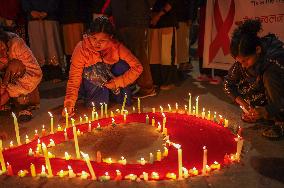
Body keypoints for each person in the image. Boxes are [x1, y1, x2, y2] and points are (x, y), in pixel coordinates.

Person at [63, 17, 143, 117]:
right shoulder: (81, 49)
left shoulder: (116, 47)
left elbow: (137, 67)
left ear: (111, 37)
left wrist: (117, 82)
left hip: (111, 77)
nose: (97, 43)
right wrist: (69, 103)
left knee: (122, 66)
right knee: (97, 106)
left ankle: (114, 94)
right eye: (94, 38)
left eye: (103, 40)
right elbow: (74, 78)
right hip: (92, 79)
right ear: (89, 34)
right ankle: (91, 95)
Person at [229, 19, 284, 139]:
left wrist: (266, 111)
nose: (243, 65)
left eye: (245, 60)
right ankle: (266, 115)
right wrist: (244, 104)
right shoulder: (244, 62)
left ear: (258, 50)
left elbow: (279, 100)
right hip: (268, 102)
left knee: (268, 77)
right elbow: (228, 84)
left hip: (280, 101)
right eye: (239, 61)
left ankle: (280, 123)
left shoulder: (274, 63)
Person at [104, 0, 157, 98]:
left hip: (135, 22)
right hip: (123, 22)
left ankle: (147, 87)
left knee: (138, 54)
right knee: (128, 56)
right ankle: (132, 84)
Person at [0, 29, 42, 122]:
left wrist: (13, 67)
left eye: (2, 48)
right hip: (4, 86)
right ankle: (6, 104)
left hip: (23, 81)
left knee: (16, 66)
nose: (2, 53)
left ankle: (26, 105)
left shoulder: (16, 45)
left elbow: (36, 73)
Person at [22, 0, 64, 82]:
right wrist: (31, 11)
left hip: (51, 17)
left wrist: (47, 11)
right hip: (33, 18)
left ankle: (55, 73)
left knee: (52, 45)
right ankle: (41, 74)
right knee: (37, 46)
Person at [149, 0, 179, 90]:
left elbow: (170, 4)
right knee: (154, 56)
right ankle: (157, 81)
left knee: (167, 55)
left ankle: (169, 81)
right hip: (154, 24)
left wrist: (158, 16)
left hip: (167, 23)